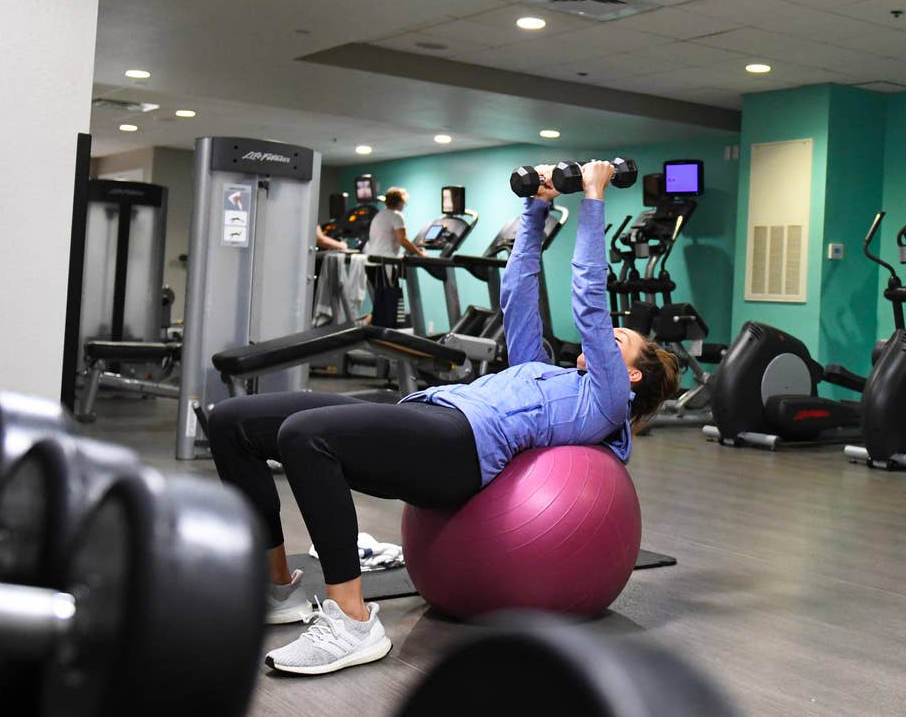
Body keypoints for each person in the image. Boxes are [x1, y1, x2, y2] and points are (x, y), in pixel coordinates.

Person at [207, 161, 680, 676]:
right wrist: (535, 206)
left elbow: (591, 303)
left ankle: (352, 621)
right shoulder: (539, 369)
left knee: (304, 435)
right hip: (431, 416)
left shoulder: (605, 402)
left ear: (631, 377)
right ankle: (280, 592)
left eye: (622, 342)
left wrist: (593, 199)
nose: (611, 337)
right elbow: (518, 291)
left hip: (461, 450)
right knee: (232, 421)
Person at [361, 186, 425, 328]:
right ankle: (386, 335)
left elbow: (383, 241)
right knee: (391, 303)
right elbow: (402, 239)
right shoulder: (396, 215)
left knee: (381, 301)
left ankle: (375, 330)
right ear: (400, 202)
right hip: (385, 264)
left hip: (371, 263)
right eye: (404, 203)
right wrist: (421, 254)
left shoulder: (379, 215)